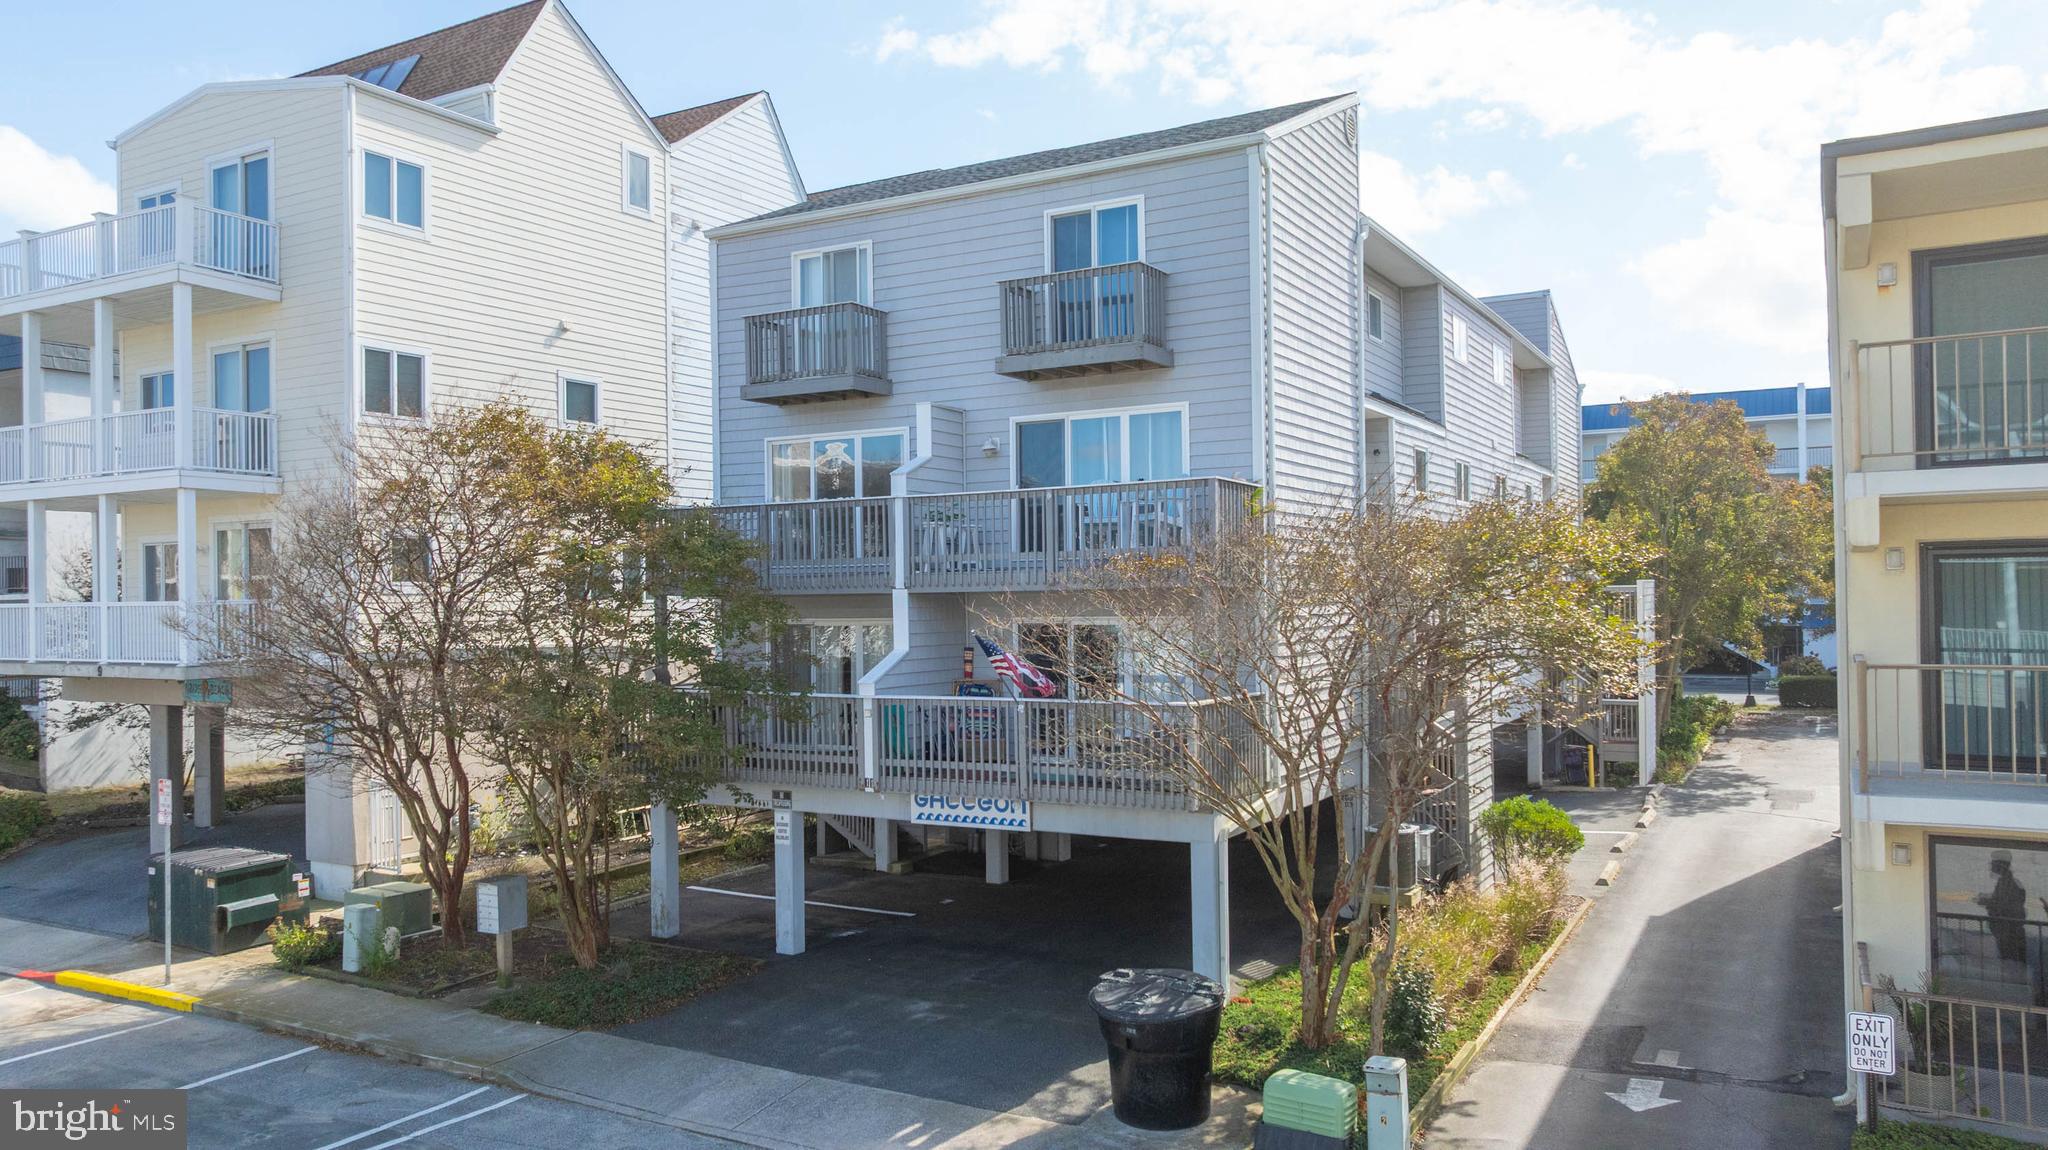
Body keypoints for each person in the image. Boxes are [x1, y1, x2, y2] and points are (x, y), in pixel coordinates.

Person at [1976, 851, 2029, 966]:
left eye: (1993, 864)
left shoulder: (2006, 882)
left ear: (2000, 866)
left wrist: (1984, 901)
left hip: (2008, 932)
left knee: (2011, 962)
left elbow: (2002, 905)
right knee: (2015, 962)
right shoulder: (2012, 882)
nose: (1991, 867)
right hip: (2012, 931)